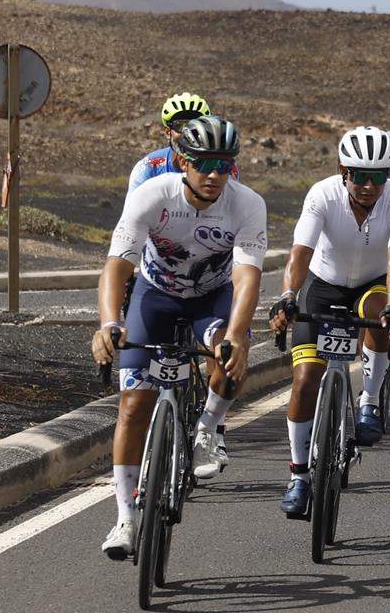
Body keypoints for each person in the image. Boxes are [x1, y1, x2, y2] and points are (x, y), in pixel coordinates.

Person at [93, 115, 265, 558]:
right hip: (156, 297)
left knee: (229, 359)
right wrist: (109, 323)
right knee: (133, 404)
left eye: (223, 165)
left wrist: (239, 334)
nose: (213, 175)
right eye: (204, 163)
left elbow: (247, 277)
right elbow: (118, 264)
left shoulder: (247, 205)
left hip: (212, 298)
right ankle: (125, 519)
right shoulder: (153, 194)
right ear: (182, 161)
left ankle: (207, 426)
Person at [268, 127, 390, 519]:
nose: (369, 185)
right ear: (342, 170)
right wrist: (286, 296)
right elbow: (300, 252)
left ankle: (369, 401)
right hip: (322, 285)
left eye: (379, 176)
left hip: (372, 283)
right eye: (359, 175)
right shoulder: (322, 194)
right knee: (304, 381)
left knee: (381, 312)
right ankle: (299, 475)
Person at [127, 92, 213, 190]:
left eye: (195, 126)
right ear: (168, 132)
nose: (188, 134)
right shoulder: (149, 168)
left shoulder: (222, 168)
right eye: (180, 126)